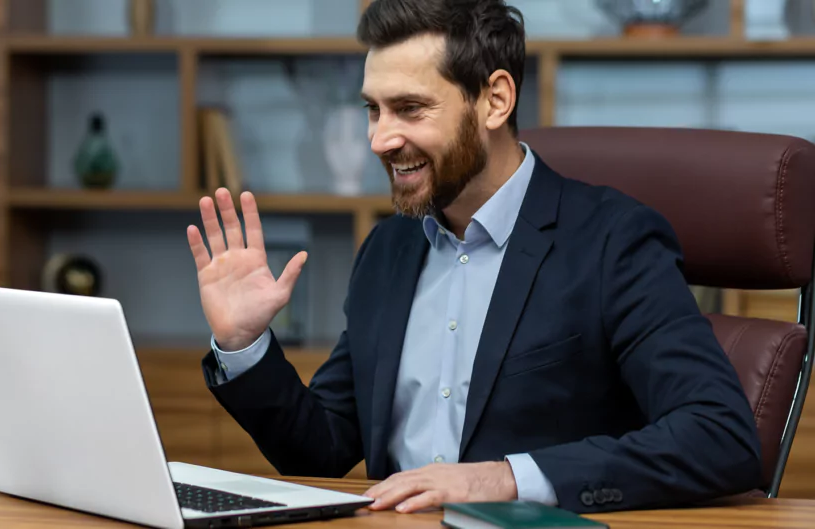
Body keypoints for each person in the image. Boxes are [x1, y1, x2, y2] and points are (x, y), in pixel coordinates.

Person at [185, 0, 762, 515]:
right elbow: (320, 449)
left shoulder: (615, 242)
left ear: (495, 99)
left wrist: (505, 479)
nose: (380, 139)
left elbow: (720, 436)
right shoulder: (387, 250)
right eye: (374, 110)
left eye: (410, 109)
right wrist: (244, 345)